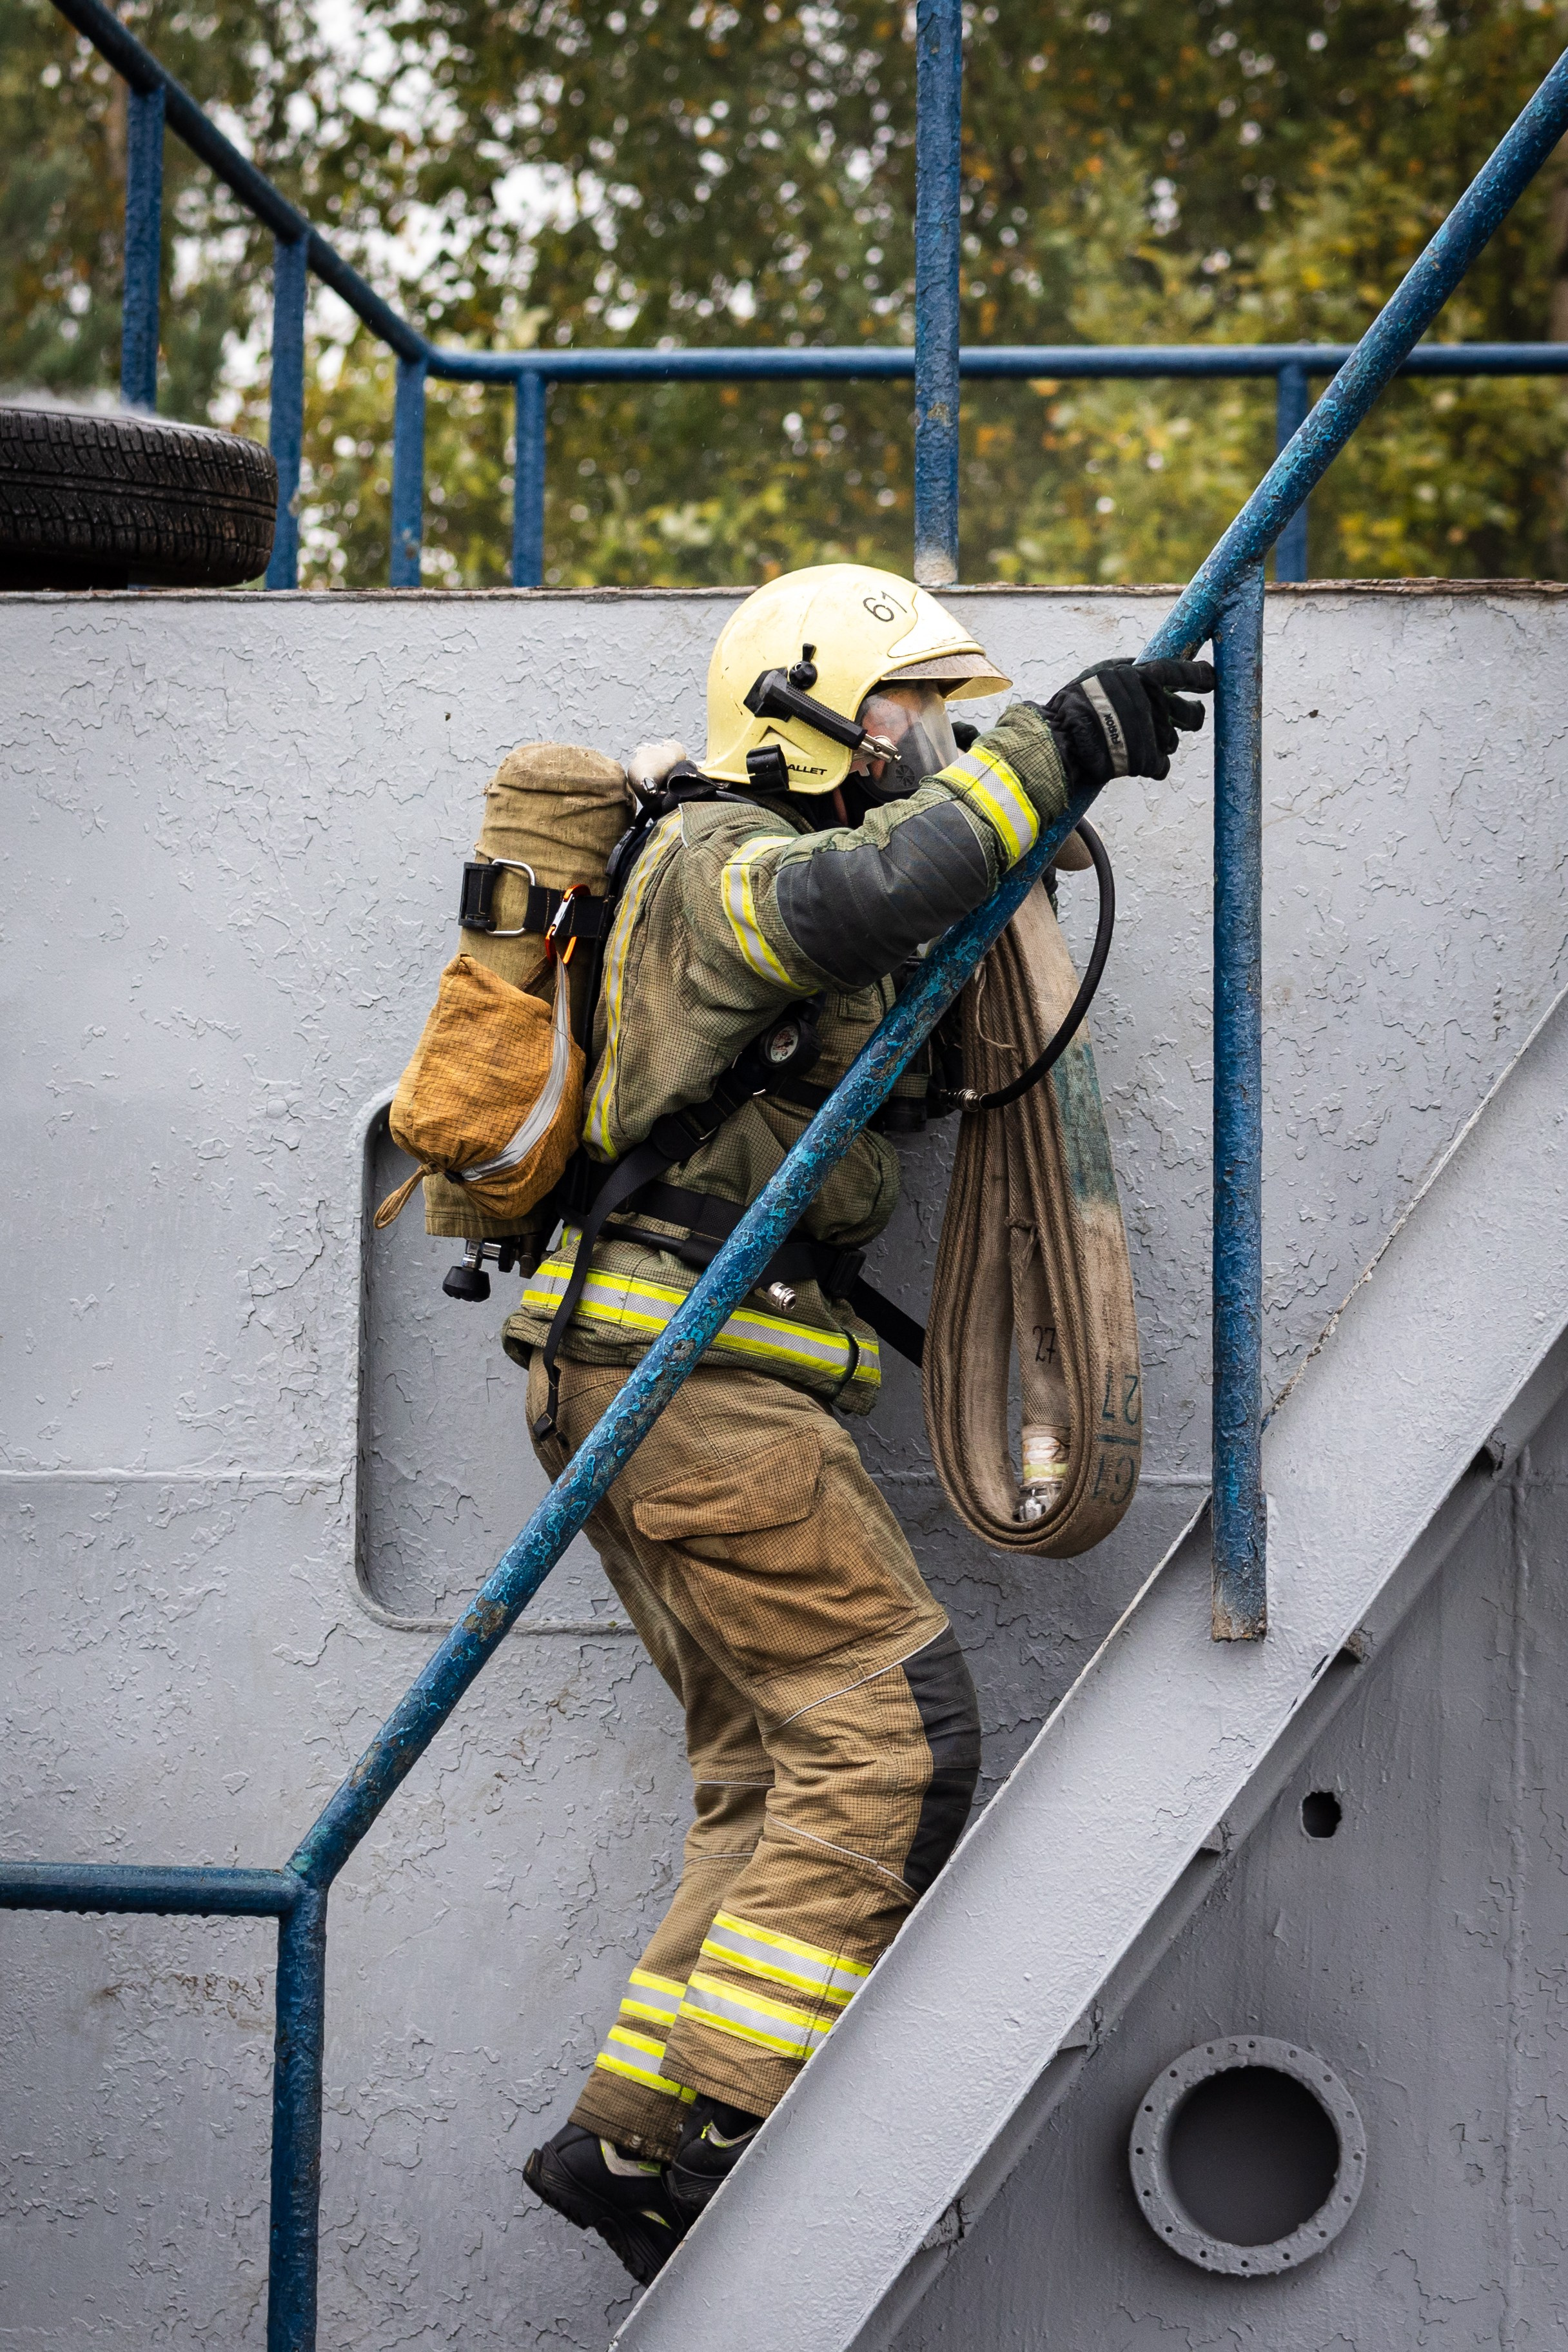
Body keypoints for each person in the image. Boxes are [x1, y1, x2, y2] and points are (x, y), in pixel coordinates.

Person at [509, 564, 1213, 2282]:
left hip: (659, 1372)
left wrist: (1003, 847)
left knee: (768, 1766)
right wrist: (1054, 756)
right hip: (686, 1378)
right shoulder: (715, 856)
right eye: (910, 712)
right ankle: (746, 2142)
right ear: (806, 710)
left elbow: (861, 1008)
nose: (933, 740)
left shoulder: (759, 883)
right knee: (891, 1735)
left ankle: (627, 2138)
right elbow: (859, 897)